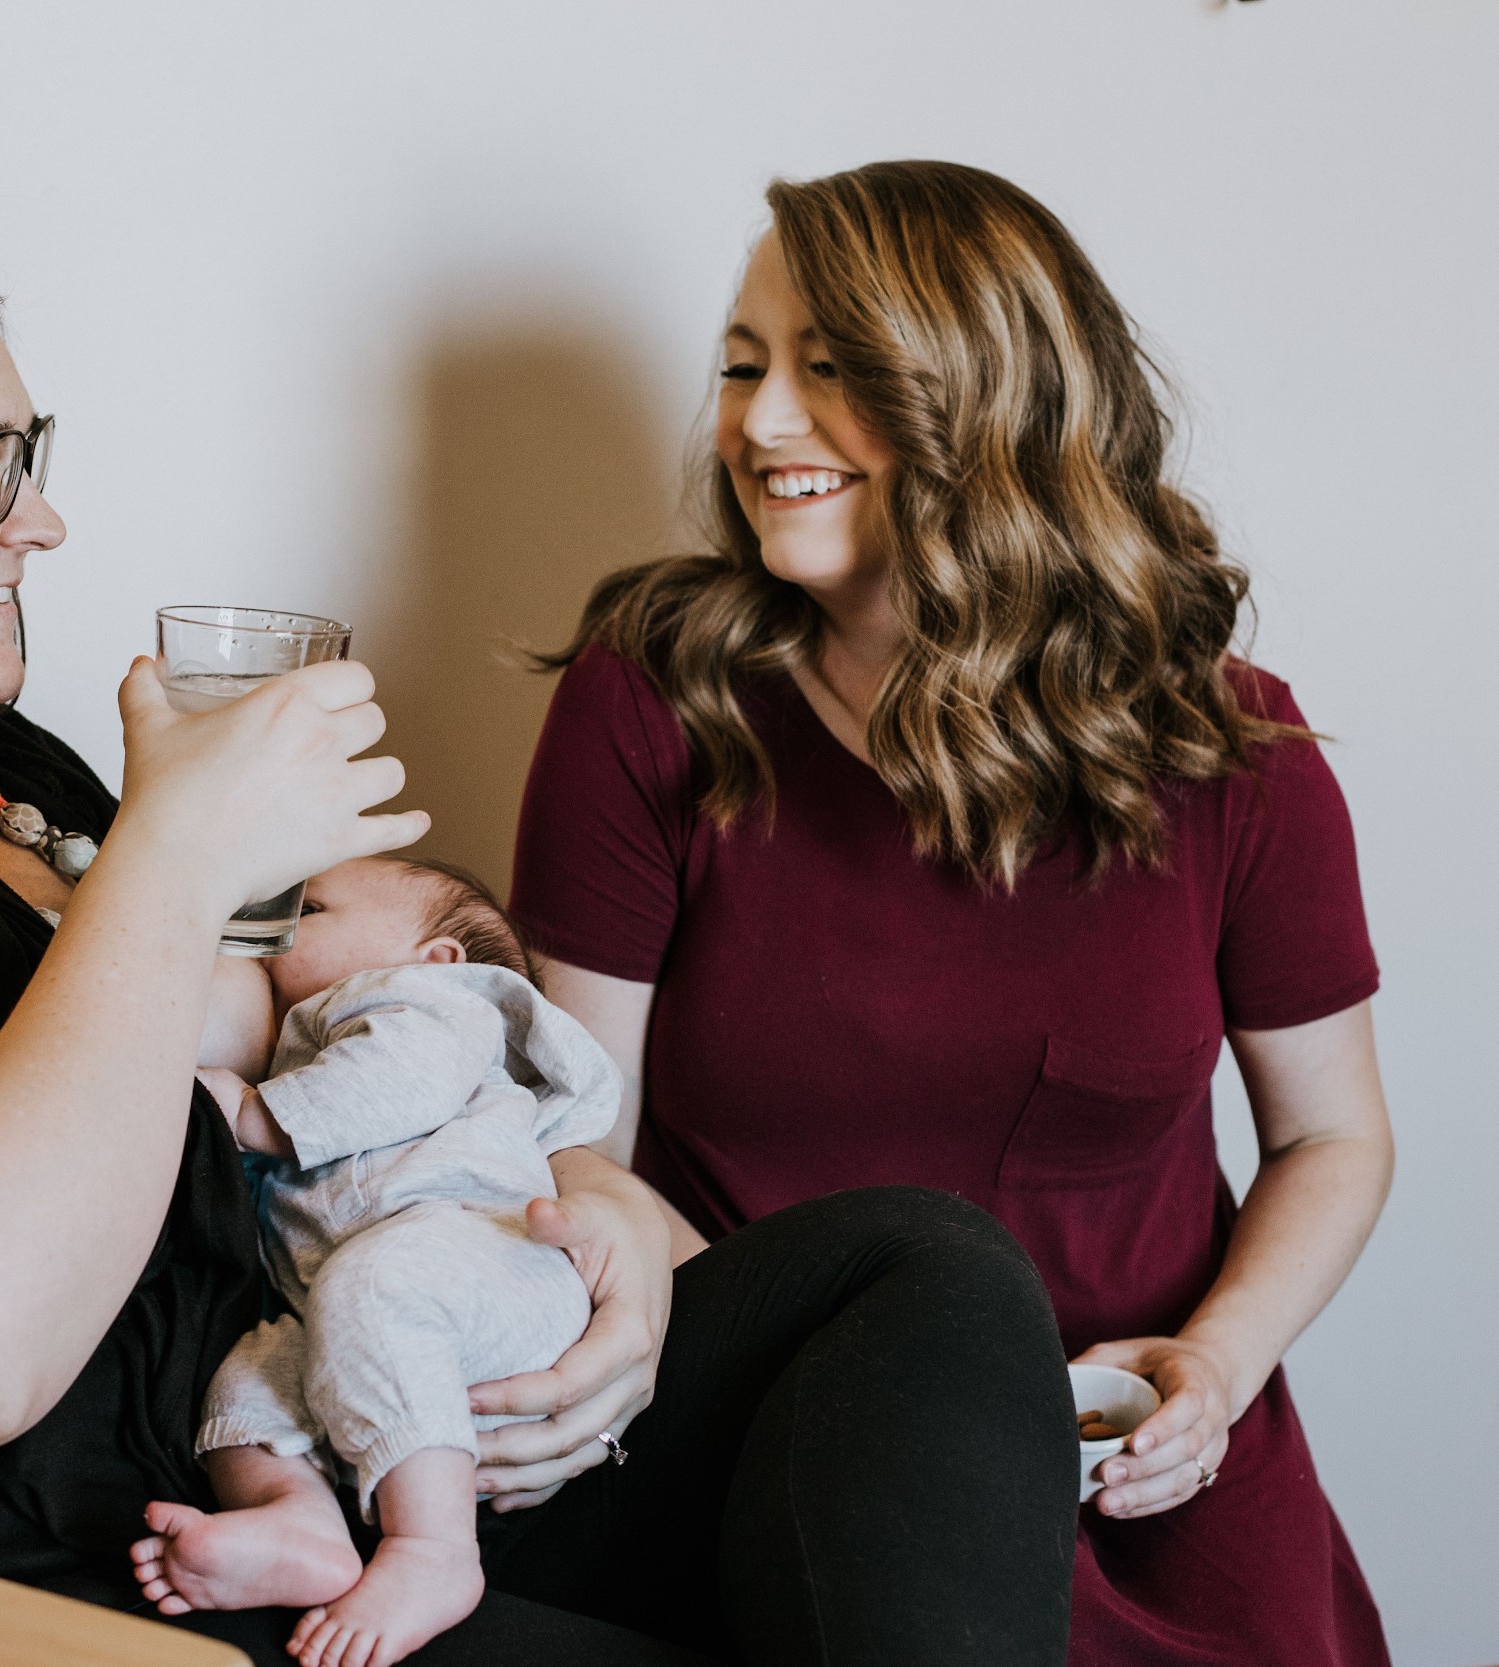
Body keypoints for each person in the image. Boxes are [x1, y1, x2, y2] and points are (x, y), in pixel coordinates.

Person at [0, 199, 1081, 1665]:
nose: (43, 525)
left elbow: (337, 1041)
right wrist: (178, 847)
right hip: (159, 1559)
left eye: (39, 456)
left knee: (916, 1269)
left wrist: (606, 1236)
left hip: (361, 1402)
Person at [511, 161, 1397, 1666]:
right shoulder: (652, 705)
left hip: (1141, 1465)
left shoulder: (1236, 754)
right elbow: (565, 1145)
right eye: (744, 367)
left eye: (832, 368)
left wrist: (1220, 1361)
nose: (761, 423)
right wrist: (835, 1356)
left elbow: (1332, 1137)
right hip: (788, 1455)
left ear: (992, 402)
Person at [138, 858, 616, 1667]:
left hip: (484, 1263)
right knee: (250, 1374)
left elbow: (394, 1085)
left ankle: (435, 1550)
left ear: (437, 958)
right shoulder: (320, 1039)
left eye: (313, 907)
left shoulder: (430, 1008)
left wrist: (252, 1112)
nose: (282, 922)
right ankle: (299, 1518)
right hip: (374, 1309)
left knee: (375, 1285)